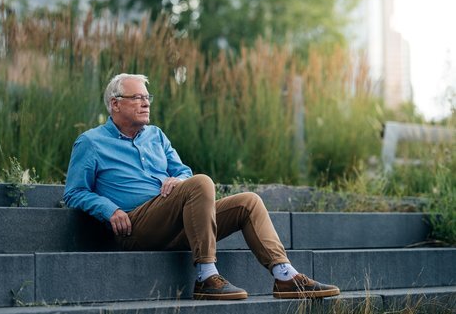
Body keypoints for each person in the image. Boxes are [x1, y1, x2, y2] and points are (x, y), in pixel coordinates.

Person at [64, 73, 340, 300]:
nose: (145, 103)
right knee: (201, 183)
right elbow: (74, 193)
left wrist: (179, 180)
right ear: (115, 104)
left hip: (175, 224)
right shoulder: (91, 142)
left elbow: (183, 171)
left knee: (248, 201)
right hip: (135, 226)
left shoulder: (156, 136)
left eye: (147, 97)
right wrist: (109, 209)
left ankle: (285, 277)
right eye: (137, 97)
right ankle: (206, 276)